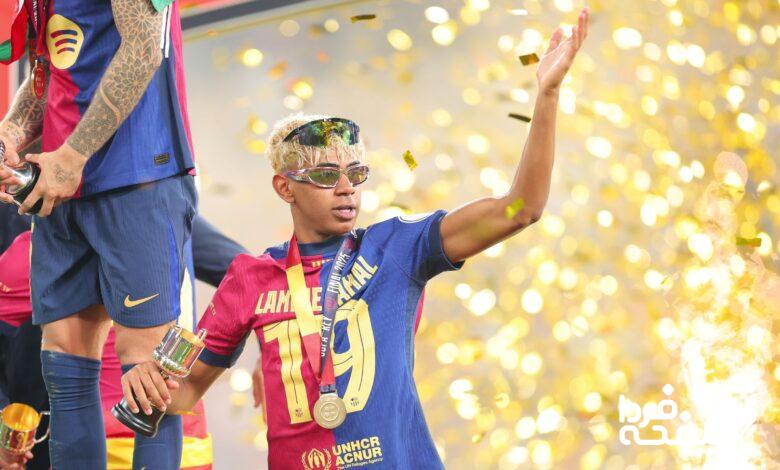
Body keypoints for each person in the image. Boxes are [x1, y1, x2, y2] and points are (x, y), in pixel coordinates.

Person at [122, 9, 590, 469]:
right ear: (285, 188)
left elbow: (519, 209)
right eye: (327, 175)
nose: (347, 187)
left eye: (357, 173)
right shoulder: (250, 277)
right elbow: (184, 392)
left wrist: (547, 96)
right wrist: (146, 381)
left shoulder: (398, 247)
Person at [0, 0, 197, 468]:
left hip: (137, 176)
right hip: (60, 183)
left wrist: (73, 156)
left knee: (147, 371)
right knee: (64, 362)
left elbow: (144, 47)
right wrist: (10, 132)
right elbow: (54, 69)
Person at [0, 215, 247, 469]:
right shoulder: (172, 217)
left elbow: (249, 278)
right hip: (145, 436)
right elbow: (249, 278)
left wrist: (198, 365)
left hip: (160, 435)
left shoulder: (170, 216)